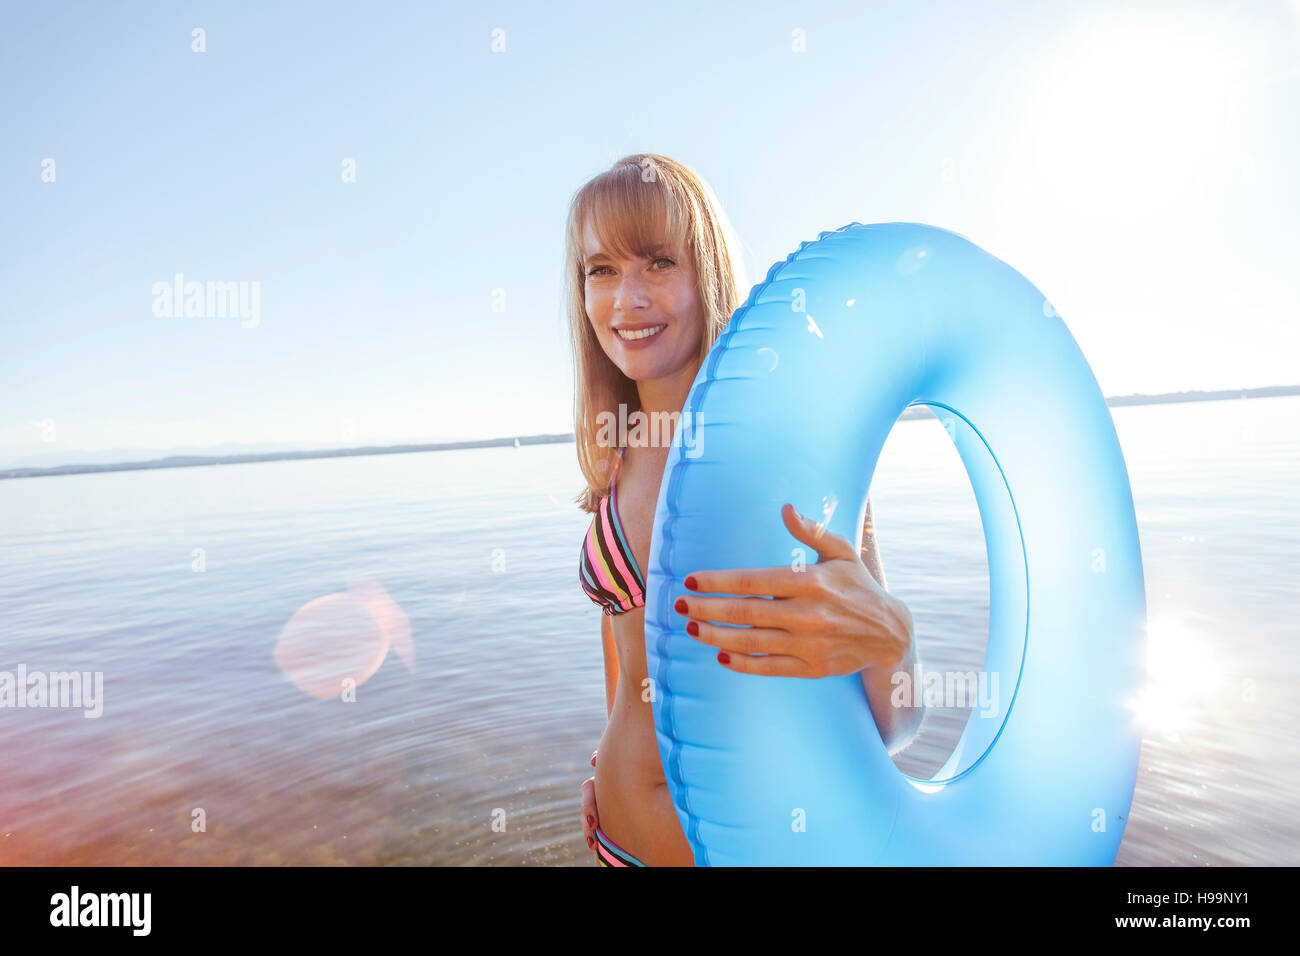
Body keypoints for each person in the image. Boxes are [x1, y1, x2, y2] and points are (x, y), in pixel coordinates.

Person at [567, 154, 923, 867]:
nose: (626, 299)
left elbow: (898, 723)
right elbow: (627, 652)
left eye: (658, 263)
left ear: (707, 274)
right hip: (613, 838)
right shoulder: (614, 454)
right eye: (601, 270)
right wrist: (601, 760)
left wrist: (895, 638)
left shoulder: (796, 454)